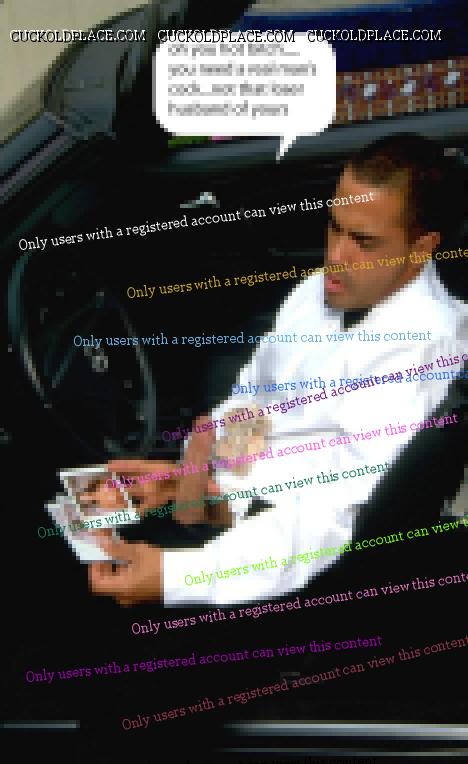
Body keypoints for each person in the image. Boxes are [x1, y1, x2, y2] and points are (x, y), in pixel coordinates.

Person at [88, 133, 467, 607]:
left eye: (364, 242)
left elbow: (328, 520)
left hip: (290, 567)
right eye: (334, 228)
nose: (336, 256)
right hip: (240, 510)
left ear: (421, 248)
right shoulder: (317, 293)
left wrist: (177, 576)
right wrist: (199, 478)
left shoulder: (421, 355)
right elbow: (256, 399)